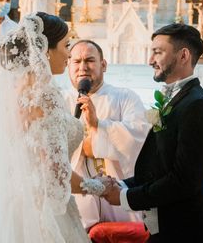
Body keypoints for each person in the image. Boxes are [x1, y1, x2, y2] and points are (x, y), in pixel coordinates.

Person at [0, 13, 110, 242]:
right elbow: (54, 174)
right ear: (45, 49)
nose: (69, 53)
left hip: (12, 203)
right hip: (40, 212)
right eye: (66, 45)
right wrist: (98, 186)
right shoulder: (46, 98)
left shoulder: (18, 94)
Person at [103, 23, 203, 242]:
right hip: (166, 226)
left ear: (183, 55)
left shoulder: (198, 106)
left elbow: (184, 180)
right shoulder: (177, 101)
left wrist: (125, 197)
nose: (150, 60)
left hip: (187, 229)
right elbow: (158, 166)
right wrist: (122, 184)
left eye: (158, 52)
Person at [64, 39, 150, 229]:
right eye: (76, 62)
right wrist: (90, 144)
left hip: (118, 193)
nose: (83, 67)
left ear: (103, 65)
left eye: (90, 60)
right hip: (76, 198)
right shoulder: (61, 101)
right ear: (68, 65)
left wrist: (98, 125)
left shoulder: (125, 97)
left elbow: (138, 139)